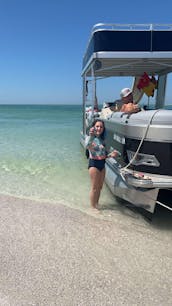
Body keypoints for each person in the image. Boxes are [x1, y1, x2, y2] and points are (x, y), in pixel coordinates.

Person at [86, 119, 118, 210]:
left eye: (101, 127)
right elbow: (87, 146)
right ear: (93, 127)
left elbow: (103, 155)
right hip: (94, 164)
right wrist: (91, 135)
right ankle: (92, 208)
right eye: (97, 126)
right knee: (94, 188)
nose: (99, 128)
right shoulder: (90, 137)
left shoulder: (102, 140)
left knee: (100, 187)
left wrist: (111, 155)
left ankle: (96, 204)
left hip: (102, 164)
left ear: (103, 129)